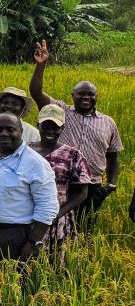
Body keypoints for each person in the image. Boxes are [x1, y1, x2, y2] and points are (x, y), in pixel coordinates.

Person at [30, 39, 122, 225]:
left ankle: (78, 256)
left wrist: (110, 185)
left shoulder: (108, 122)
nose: (86, 97)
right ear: (73, 95)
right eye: (81, 93)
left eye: (90, 94)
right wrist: (41, 66)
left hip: (92, 186)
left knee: (85, 229)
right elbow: (36, 93)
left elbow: (113, 156)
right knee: (53, 225)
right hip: (61, 182)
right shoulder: (61, 111)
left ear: (96, 97)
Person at [0, 113, 58, 264]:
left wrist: (33, 242)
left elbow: (47, 208)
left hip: (14, 236)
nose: (4, 134)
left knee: (8, 283)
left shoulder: (36, 163)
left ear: (21, 131)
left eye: (10, 129)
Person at [29, 104, 92, 249]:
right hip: (27, 216)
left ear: (62, 128)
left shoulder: (73, 155)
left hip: (58, 219)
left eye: (55, 127)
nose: (50, 130)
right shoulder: (26, 151)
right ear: (37, 125)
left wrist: (58, 214)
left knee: (57, 263)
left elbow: (82, 193)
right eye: (46, 125)